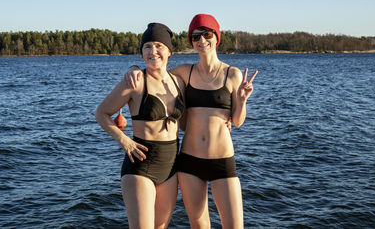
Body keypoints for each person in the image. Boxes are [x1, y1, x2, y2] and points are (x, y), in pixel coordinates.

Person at [125, 14, 258, 229]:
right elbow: (155, 70)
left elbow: (238, 121)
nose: (202, 40)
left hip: (222, 161)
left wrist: (242, 100)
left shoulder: (232, 74)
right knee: (199, 224)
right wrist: (132, 69)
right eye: (196, 36)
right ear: (192, 41)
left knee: (234, 225)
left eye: (207, 34)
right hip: (189, 161)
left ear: (216, 38)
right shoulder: (184, 72)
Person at [95, 22, 185, 229]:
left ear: (169, 51)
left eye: (158, 45)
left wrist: (222, 120)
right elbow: (101, 113)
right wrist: (124, 141)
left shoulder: (178, 82)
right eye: (147, 47)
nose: (153, 51)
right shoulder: (135, 82)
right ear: (142, 52)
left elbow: (190, 119)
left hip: (171, 166)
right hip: (140, 166)